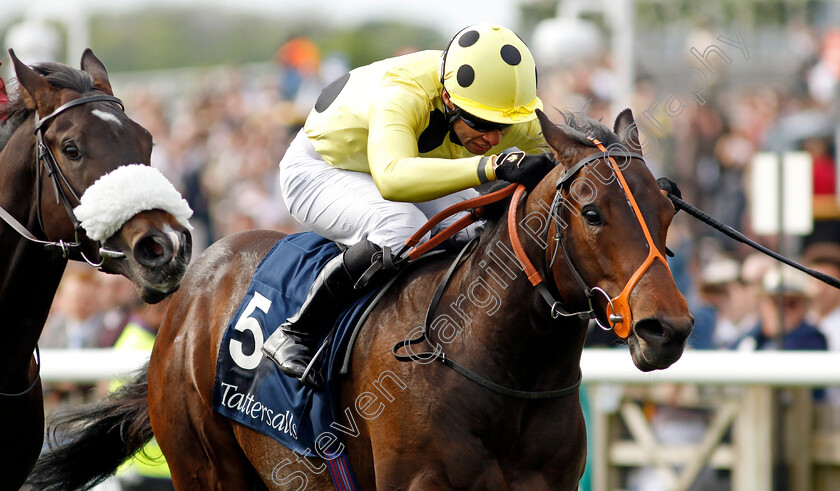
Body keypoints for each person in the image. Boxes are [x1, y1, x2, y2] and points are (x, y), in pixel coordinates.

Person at [262, 24, 554, 388]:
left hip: (392, 162)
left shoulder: (492, 100)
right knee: (399, 226)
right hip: (322, 169)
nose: (493, 137)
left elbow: (564, 140)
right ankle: (298, 332)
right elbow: (392, 178)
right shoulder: (403, 91)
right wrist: (493, 166)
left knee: (473, 226)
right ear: (448, 99)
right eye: (480, 123)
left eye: (503, 126)